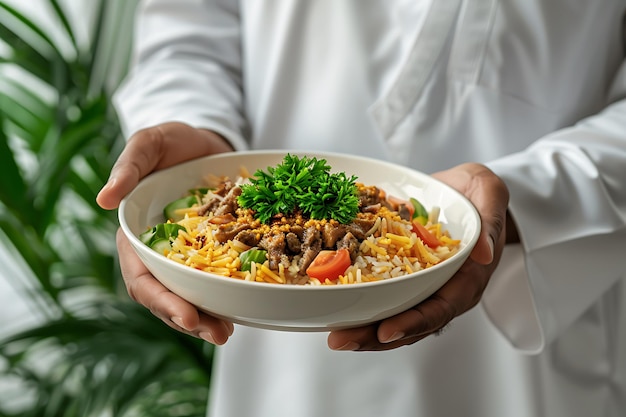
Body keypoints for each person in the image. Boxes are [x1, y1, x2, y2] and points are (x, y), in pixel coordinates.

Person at [97, 1, 626, 416]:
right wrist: (193, 130)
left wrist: (528, 196)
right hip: (261, 308)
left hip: (528, 305)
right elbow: (189, 38)